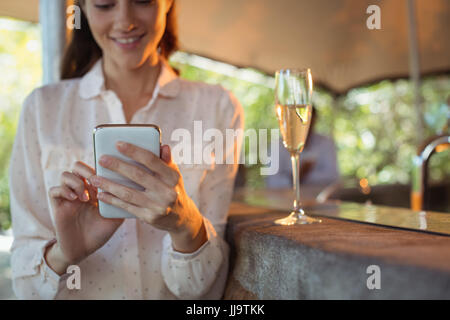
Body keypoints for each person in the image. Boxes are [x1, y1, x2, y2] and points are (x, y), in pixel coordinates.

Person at [8, 0, 243, 300]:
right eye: (105, 4)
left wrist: (187, 227)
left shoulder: (217, 108)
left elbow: (203, 292)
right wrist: (64, 254)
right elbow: (25, 288)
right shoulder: (42, 110)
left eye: (142, 1)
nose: (125, 21)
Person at [266, 106, 339, 188]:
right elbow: (271, 181)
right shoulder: (277, 145)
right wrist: (297, 176)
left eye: (308, 119)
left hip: (318, 197)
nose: (304, 123)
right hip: (284, 198)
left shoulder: (326, 143)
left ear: (314, 119)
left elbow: (333, 177)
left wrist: (303, 176)